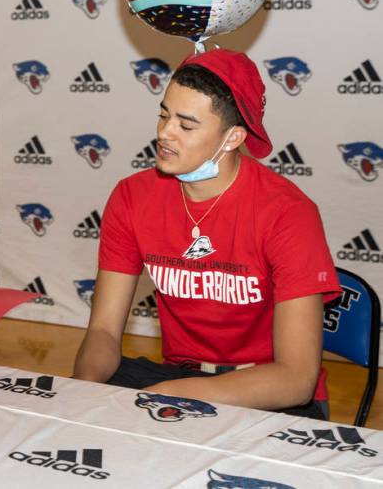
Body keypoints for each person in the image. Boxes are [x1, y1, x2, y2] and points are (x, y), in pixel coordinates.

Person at [73, 49, 340, 419]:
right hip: (181, 376)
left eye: (186, 125)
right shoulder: (132, 196)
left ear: (231, 138)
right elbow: (102, 332)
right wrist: (81, 394)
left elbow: (296, 379)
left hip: (270, 394)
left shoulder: (288, 213)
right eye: (163, 114)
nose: (164, 133)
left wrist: (167, 395)